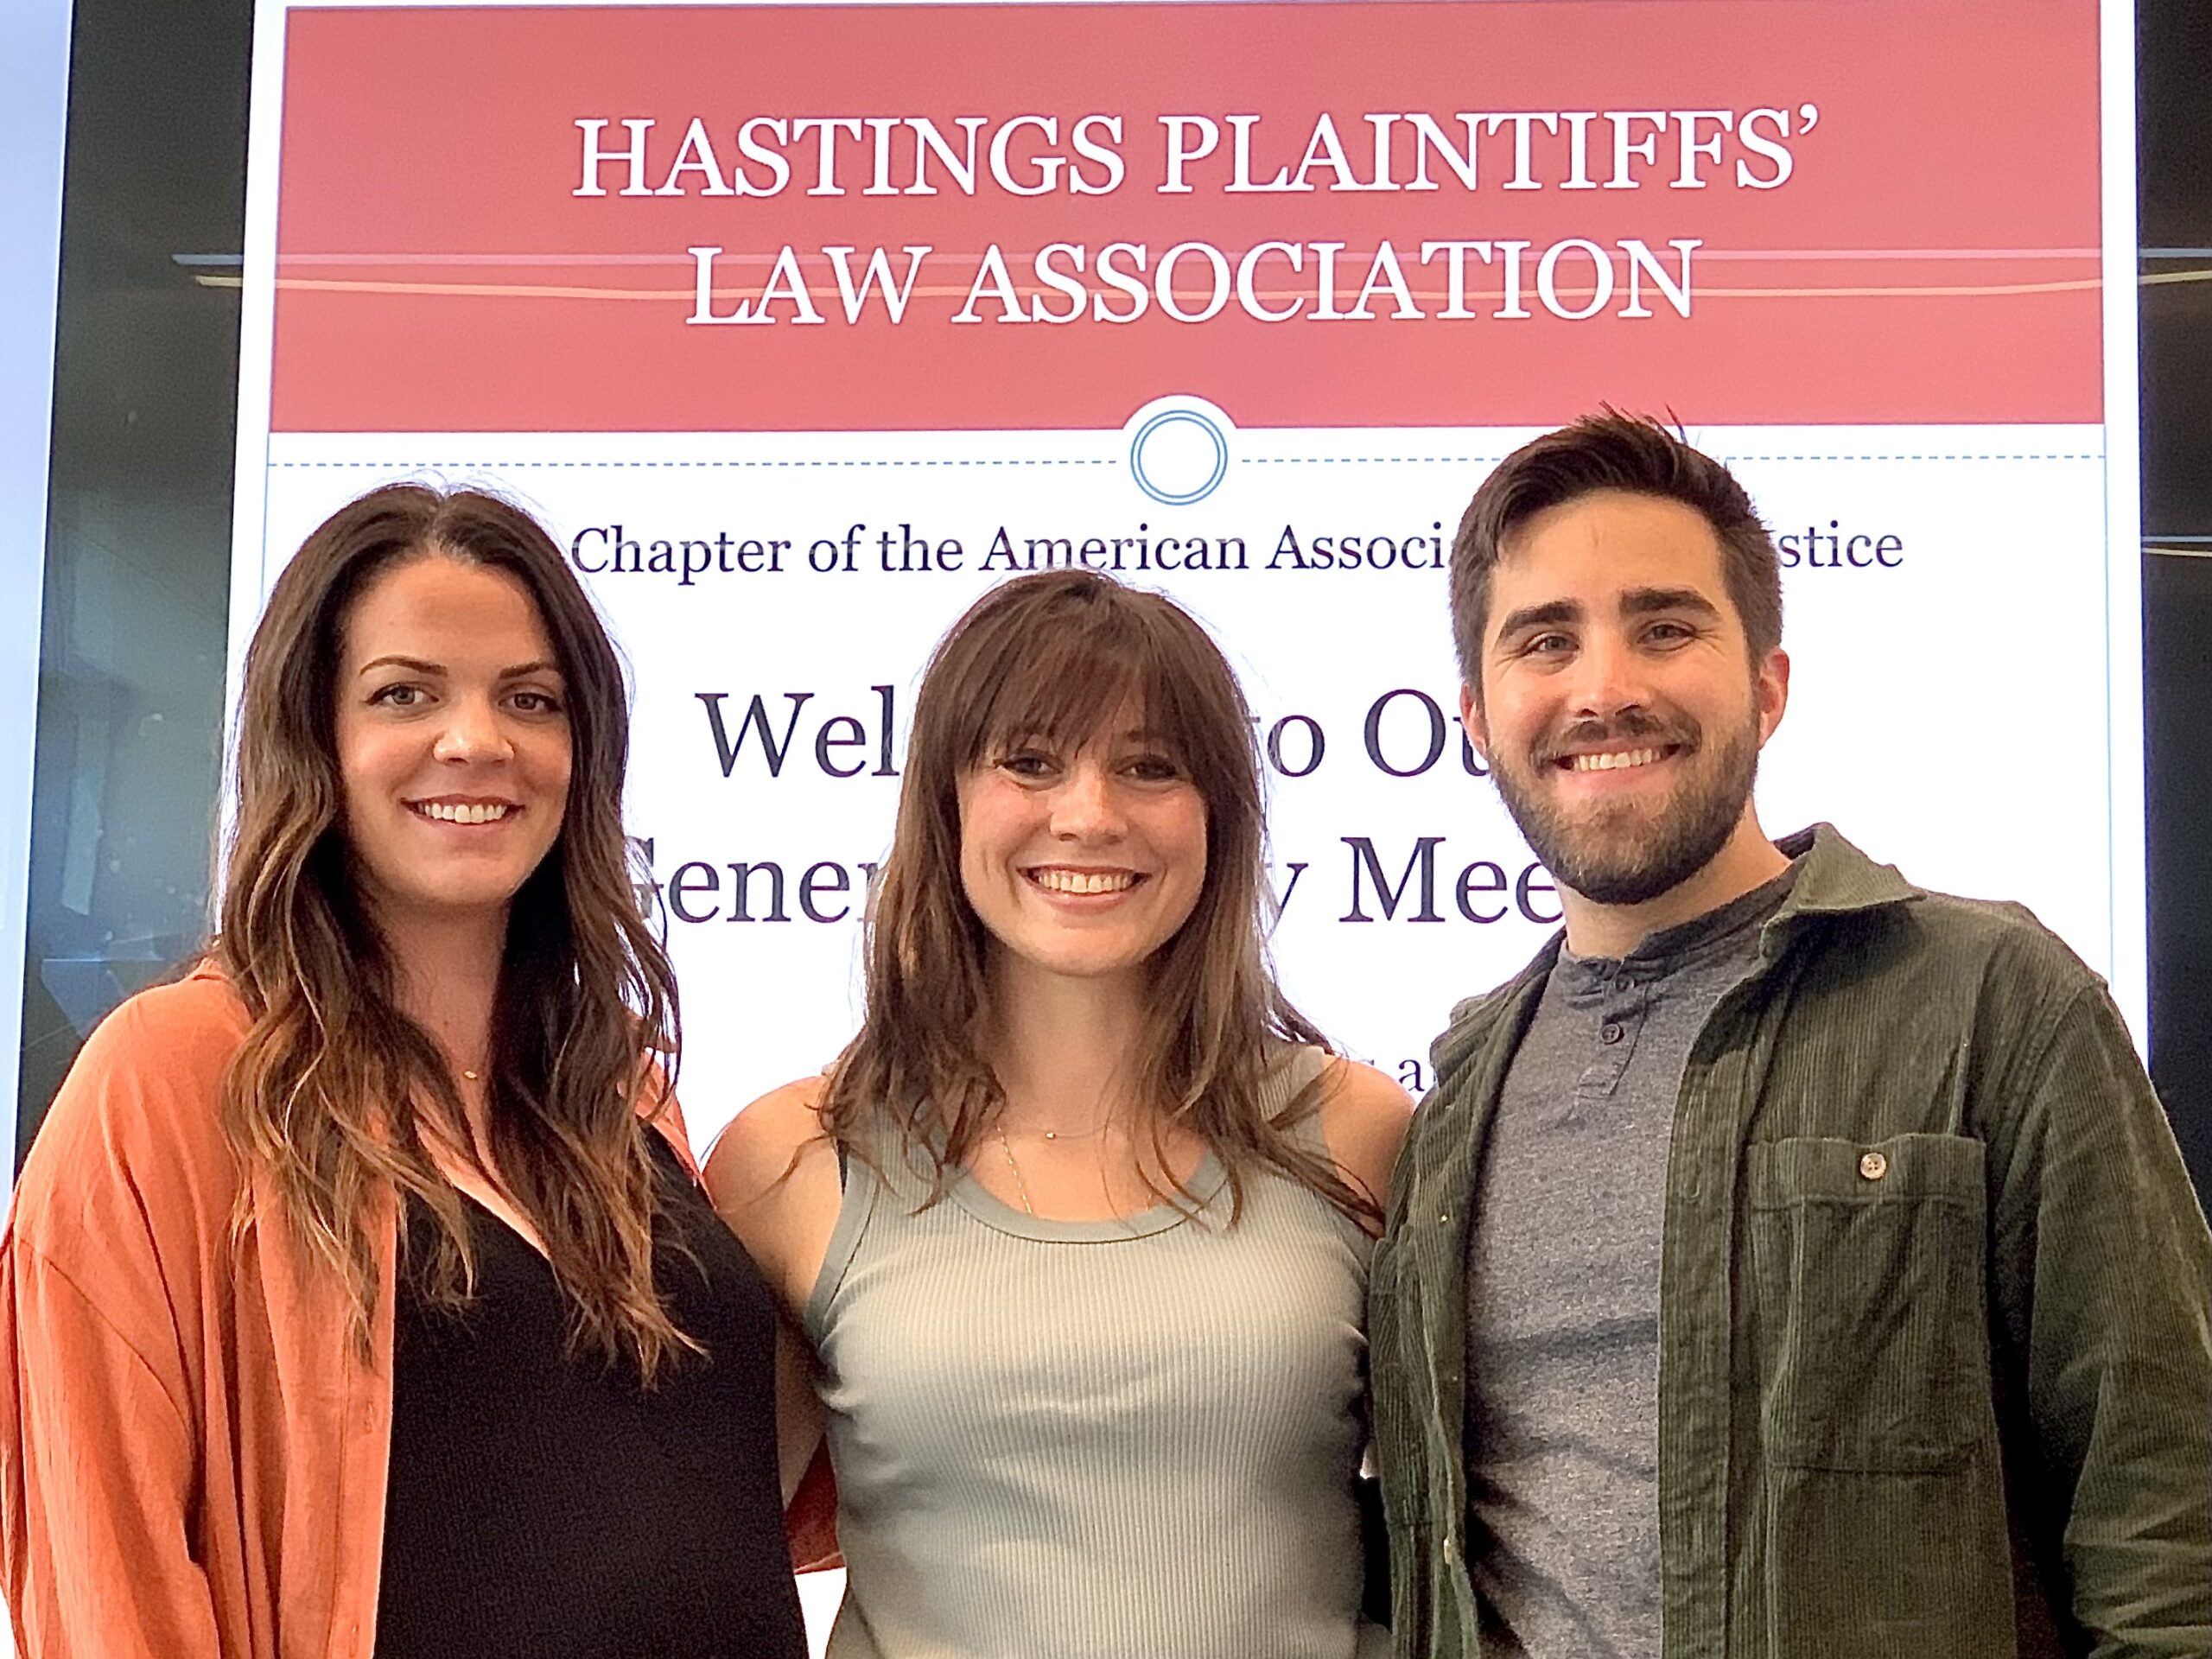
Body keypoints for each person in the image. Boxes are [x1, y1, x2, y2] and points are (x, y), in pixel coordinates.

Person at [1368, 411, 2212, 1659]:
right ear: (1480, 720)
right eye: (1546, 641)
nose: (1605, 687)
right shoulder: (1455, 1108)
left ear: (1767, 686)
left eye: (1665, 626)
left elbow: (2171, 1543)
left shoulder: (1994, 1005)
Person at [0, 486, 808, 1659]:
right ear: (314, 736)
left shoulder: (619, 1096)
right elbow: (101, 1567)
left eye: (529, 700)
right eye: (405, 693)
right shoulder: (175, 1079)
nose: (477, 740)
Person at [709, 569, 1413, 1659]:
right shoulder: (795, 1159)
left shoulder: (1357, 1133)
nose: (1089, 814)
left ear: (1218, 813)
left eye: (1149, 767)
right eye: (1030, 763)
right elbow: (690, 1569)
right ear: (945, 799)